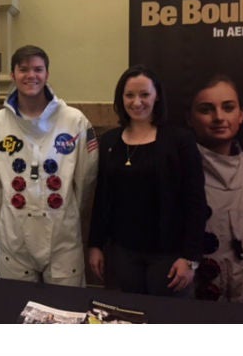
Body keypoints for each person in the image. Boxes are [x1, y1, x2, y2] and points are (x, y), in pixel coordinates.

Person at [0, 45, 98, 287]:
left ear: (47, 74)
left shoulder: (74, 121)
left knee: (66, 312)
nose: (31, 75)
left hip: (63, 236)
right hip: (14, 235)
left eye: (37, 69)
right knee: (15, 307)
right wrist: (1, 232)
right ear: (13, 75)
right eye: (23, 69)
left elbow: (86, 180)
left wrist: (73, 218)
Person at [88, 65, 207, 297]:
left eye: (144, 94)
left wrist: (190, 258)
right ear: (121, 98)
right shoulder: (110, 141)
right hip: (122, 253)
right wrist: (95, 245)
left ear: (157, 96)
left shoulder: (180, 140)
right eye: (129, 95)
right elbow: (102, 197)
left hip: (169, 255)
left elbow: (196, 202)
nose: (136, 102)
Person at [187, 74, 243, 302]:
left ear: (241, 115)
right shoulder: (178, 175)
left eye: (228, 107)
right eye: (206, 109)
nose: (219, 117)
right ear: (190, 119)